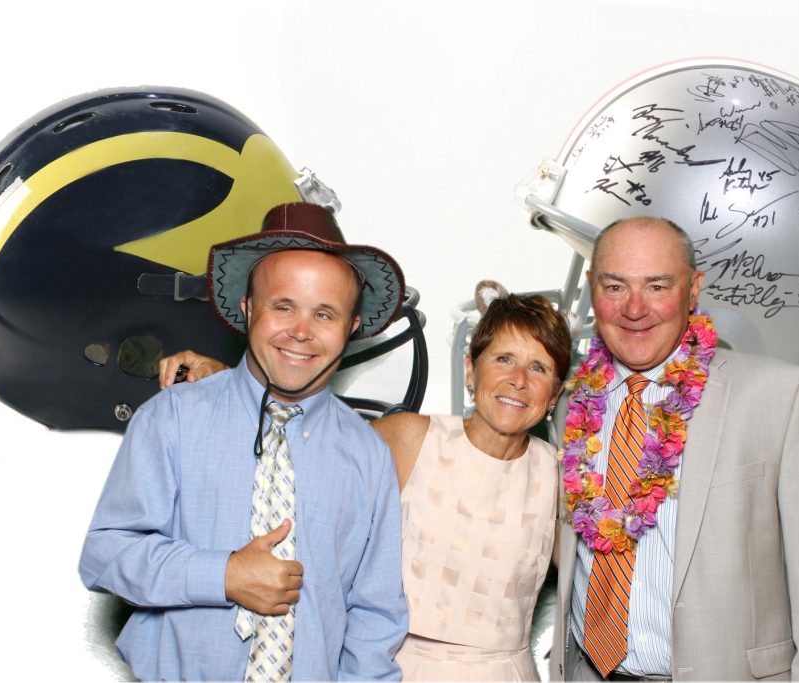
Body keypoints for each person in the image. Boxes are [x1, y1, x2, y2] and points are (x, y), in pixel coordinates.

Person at [161, 292, 574, 680]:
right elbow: (300, 451)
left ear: (554, 392)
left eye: (538, 368)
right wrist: (228, 388)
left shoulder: (560, 474)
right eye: (503, 358)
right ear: (471, 368)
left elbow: (597, 571)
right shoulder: (412, 438)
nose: (518, 379)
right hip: (393, 667)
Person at [79, 202, 408, 681]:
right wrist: (223, 575)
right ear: (248, 308)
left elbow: (375, 618)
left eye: (324, 313)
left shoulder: (369, 456)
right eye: (283, 306)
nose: (301, 331)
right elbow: (105, 555)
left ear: (351, 329)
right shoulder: (172, 416)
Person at [550, 216, 799, 681]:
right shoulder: (570, 404)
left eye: (657, 286)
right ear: (592, 288)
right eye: (615, 286)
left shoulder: (779, 395)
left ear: (693, 290)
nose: (634, 308)